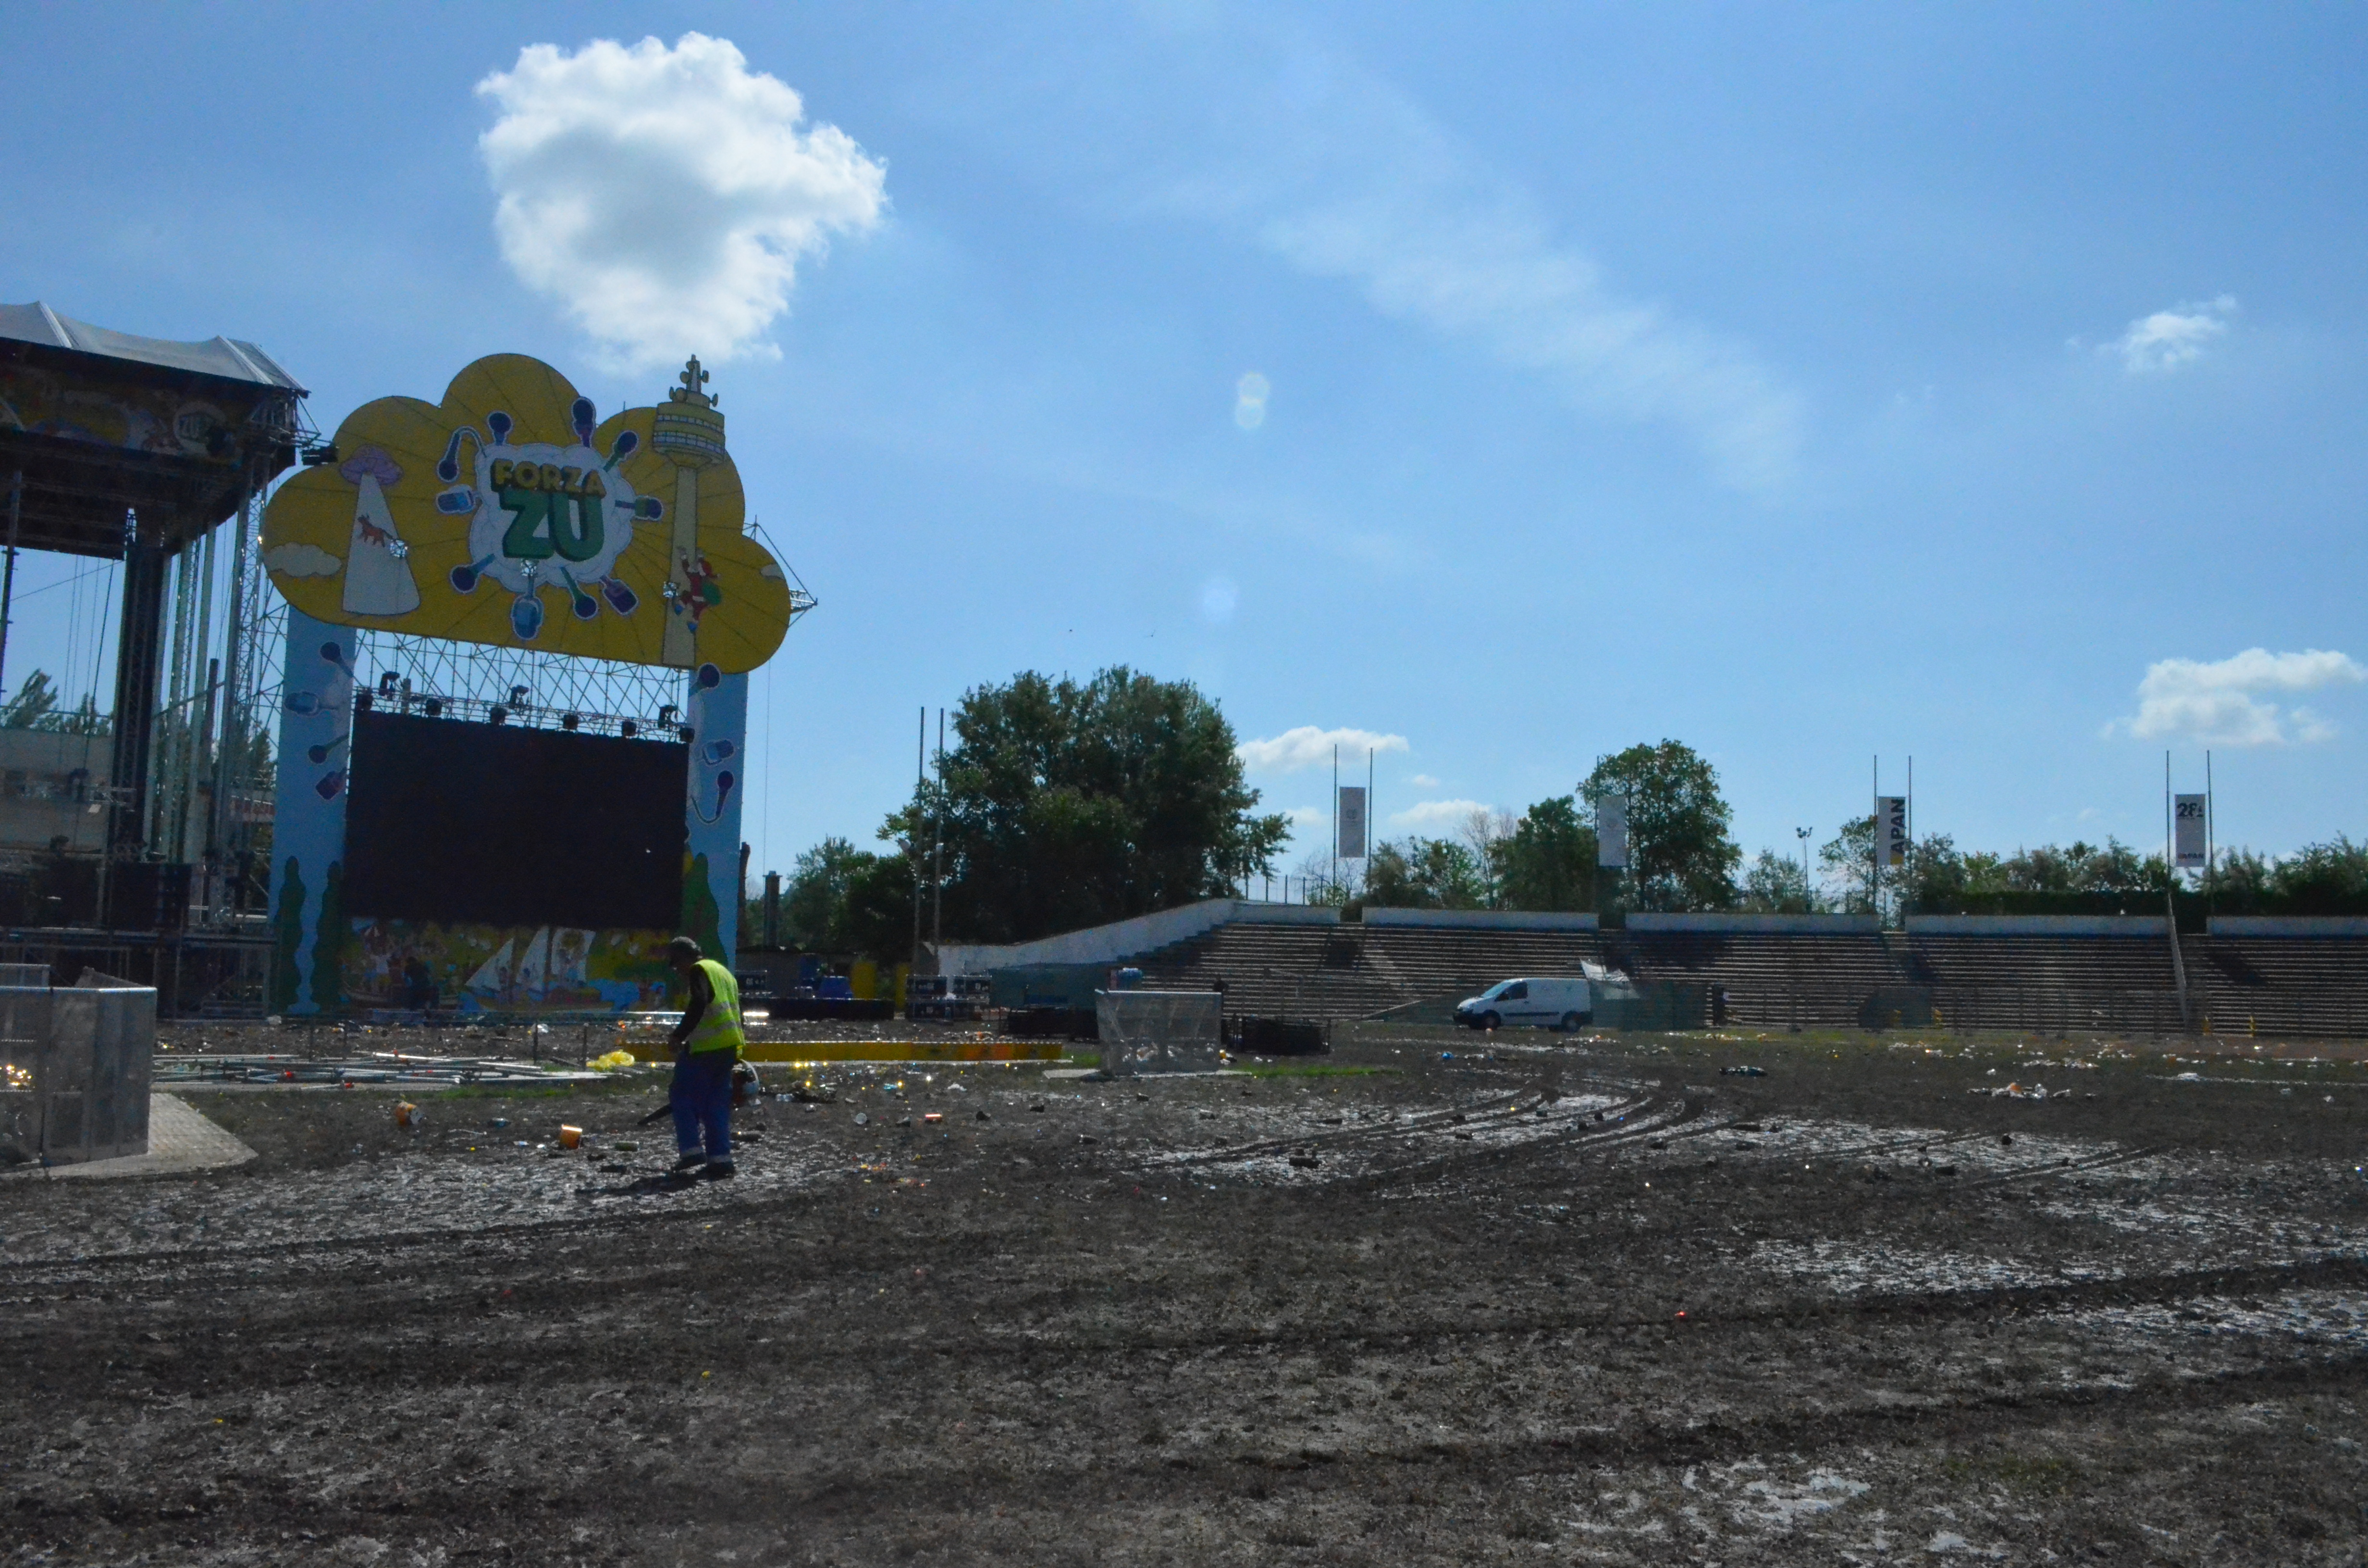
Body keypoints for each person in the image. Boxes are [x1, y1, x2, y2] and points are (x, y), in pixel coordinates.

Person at [664, 935, 746, 1178]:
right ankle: (721, 1160)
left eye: (676, 964)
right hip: (728, 1047)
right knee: (716, 1104)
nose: (678, 971)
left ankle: (691, 1150)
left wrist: (678, 1036)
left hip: (706, 1049)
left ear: (684, 958)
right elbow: (739, 1014)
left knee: (681, 1095)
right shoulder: (724, 973)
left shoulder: (699, 970)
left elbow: (699, 1004)